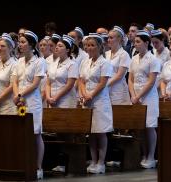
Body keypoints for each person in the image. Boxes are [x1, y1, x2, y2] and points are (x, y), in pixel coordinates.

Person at [12, 30, 46, 180]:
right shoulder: (18, 61)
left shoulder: (39, 61)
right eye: (19, 42)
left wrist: (20, 95)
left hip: (32, 101)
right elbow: (14, 81)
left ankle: (38, 167)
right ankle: (23, 164)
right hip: (19, 101)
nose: (20, 44)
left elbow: (36, 83)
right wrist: (15, 95)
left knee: (36, 134)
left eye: (23, 42)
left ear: (31, 45)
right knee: (21, 134)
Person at [79, 33, 113, 174]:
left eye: (92, 45)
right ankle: (93, 160)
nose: (89, 48)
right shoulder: (84, 62)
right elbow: (80, 80)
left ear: (99, 47)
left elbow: (103, 83)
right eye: (87, 45)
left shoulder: (105, 63)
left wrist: (90, 95)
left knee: (100, 132)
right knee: (91, 133)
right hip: (87, 100)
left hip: (99, 101)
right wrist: (84, 94)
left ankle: (101, 162)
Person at [46, 35, 79, 173]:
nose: (57, 48)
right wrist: (48, 96)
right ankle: (59, 162)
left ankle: (69, 162)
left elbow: (70, 84)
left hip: (66, 100)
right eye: (57, 46)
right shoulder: (53, 63)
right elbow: (48, 82)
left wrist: (56, 97)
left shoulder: (72, 64)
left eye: (60, 46)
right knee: (57, 131)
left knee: (66, 131)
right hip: (52, 100)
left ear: (68, 49)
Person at [128, 30, 160, 169]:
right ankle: (143, 154)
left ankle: (151, 156)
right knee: (140, 128)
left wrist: (139, 96)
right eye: (134, 42)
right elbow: (130, 79)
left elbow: (151, 81)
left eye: (138, 42)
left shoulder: (153, 59)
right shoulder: (134, 59)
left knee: (149, 127)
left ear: (146, 43)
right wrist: (133, 95)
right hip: (136, 97)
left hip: (148, 97)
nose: (135, 44)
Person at [106, 26, 131, 105]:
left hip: (118, 89)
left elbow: (119, 75)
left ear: (119, 39)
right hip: (106, 89)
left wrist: (105, 85)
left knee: (118, 114)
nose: (108, 40)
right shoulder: (106, 54)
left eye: (111, 38)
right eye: (108, 38)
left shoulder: (124, 54)